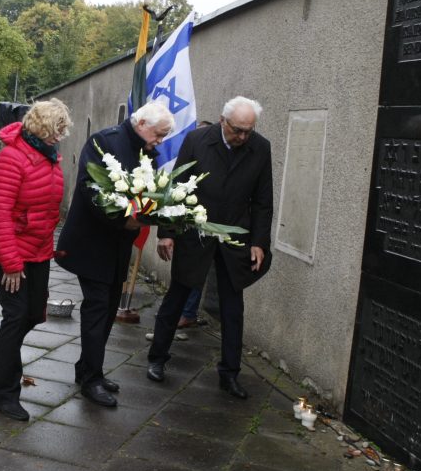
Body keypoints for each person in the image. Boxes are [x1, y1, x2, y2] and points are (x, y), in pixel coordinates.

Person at [145, 96, 274, 399]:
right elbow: (177, 187)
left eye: (248, 131)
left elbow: (263, 201)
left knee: (232, 309)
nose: (242, 137)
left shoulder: (261, 147)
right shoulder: (197, 140)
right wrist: (167, 232)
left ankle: (229, 373)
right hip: (194, 232)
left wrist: (258, 243)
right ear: (222, 120)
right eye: (237, 130)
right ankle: (157, 359)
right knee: (176, 298)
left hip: (233, 238)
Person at [56, 101, 175, 407]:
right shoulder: (103, 141)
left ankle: (87, 369)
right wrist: (124, 219)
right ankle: (91, 379)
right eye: (159, 134)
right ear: (143, 123)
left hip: (119, 245)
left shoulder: (146, 151)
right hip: (93, 242)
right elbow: (91, 188)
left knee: (109, 308)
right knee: (97, 308)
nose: (160, 141)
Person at [0, 99, 73, 421]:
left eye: (62, 131)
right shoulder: (12, 157)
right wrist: (12, 262)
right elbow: (0, 214)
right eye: (56, 130)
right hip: (10, 251)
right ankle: (5, 394)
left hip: (38, 251)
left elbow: (47, 211)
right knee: (16, 316)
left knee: (35, 313)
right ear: (41, 126)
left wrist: (51, 247)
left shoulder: (50, 158)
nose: (60, 136)